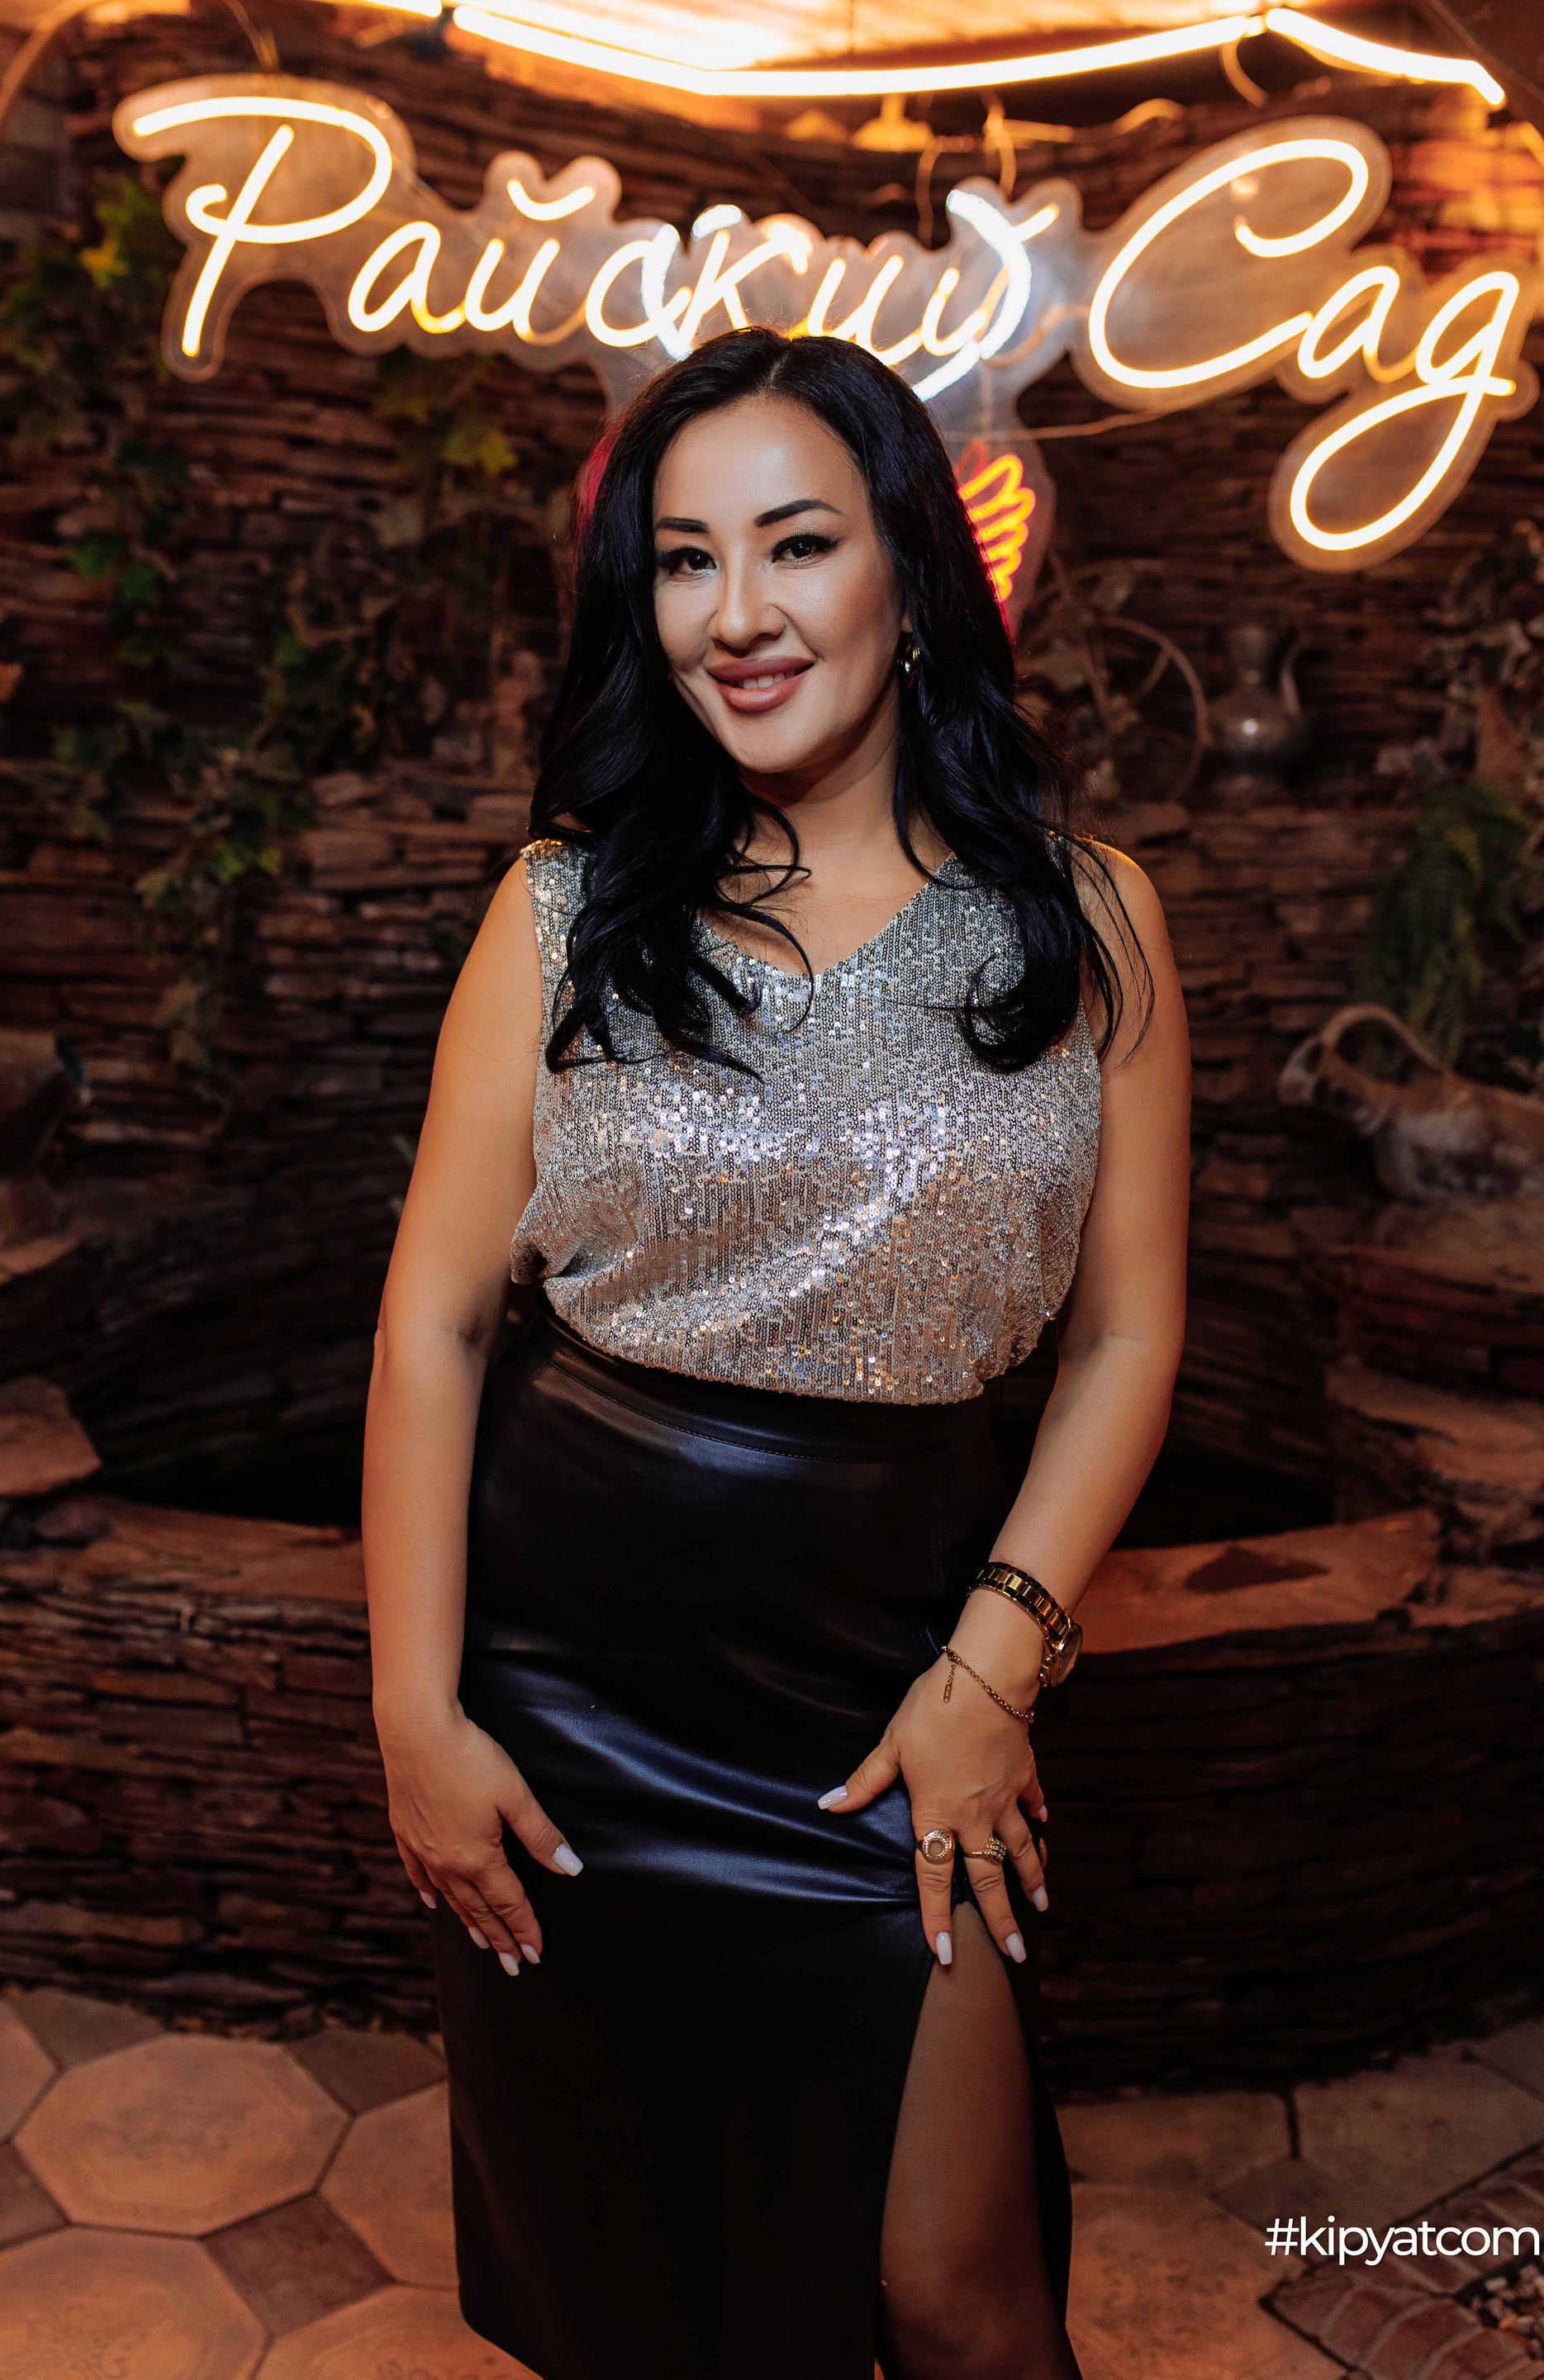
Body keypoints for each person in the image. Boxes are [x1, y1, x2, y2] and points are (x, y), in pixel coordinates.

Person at [362, 324, 1190, 2380]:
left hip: (894, 1679)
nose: (736, 613)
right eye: (683, 558)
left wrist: (995, 1667)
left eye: (797, 543)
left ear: (911, 564)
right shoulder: (562, 909)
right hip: (571, 1692)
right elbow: (436, 1323)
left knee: (962, 2301)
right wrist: (413, 1716)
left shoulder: (1089, 921)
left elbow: (1125, 1333)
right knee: (648, 2311)